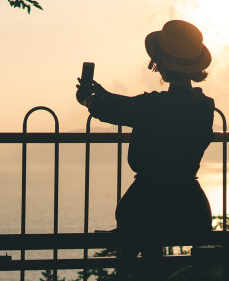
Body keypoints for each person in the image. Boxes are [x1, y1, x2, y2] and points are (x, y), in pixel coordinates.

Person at [76, 19, 216, 267]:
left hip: (146, 205)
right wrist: (106, 94)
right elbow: (136, 106)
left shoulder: (153, 106)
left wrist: (88, 99)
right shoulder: (204, 106)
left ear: (161, 65)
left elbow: (120, 110)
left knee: (130, 251)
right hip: (191, 208)